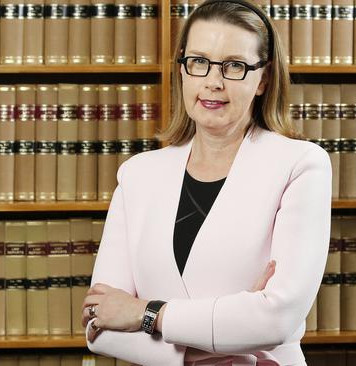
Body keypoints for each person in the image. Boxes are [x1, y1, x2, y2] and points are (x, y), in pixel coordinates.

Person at [81, 0, 331, 364]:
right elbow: (98, 324)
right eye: (199, 62)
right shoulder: (138, 174)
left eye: (234, 66)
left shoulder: (300, 165)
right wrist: (228, 340)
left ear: (263, 78)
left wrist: (145, 314)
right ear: (183, 69)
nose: (213, 82)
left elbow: (276, 318)